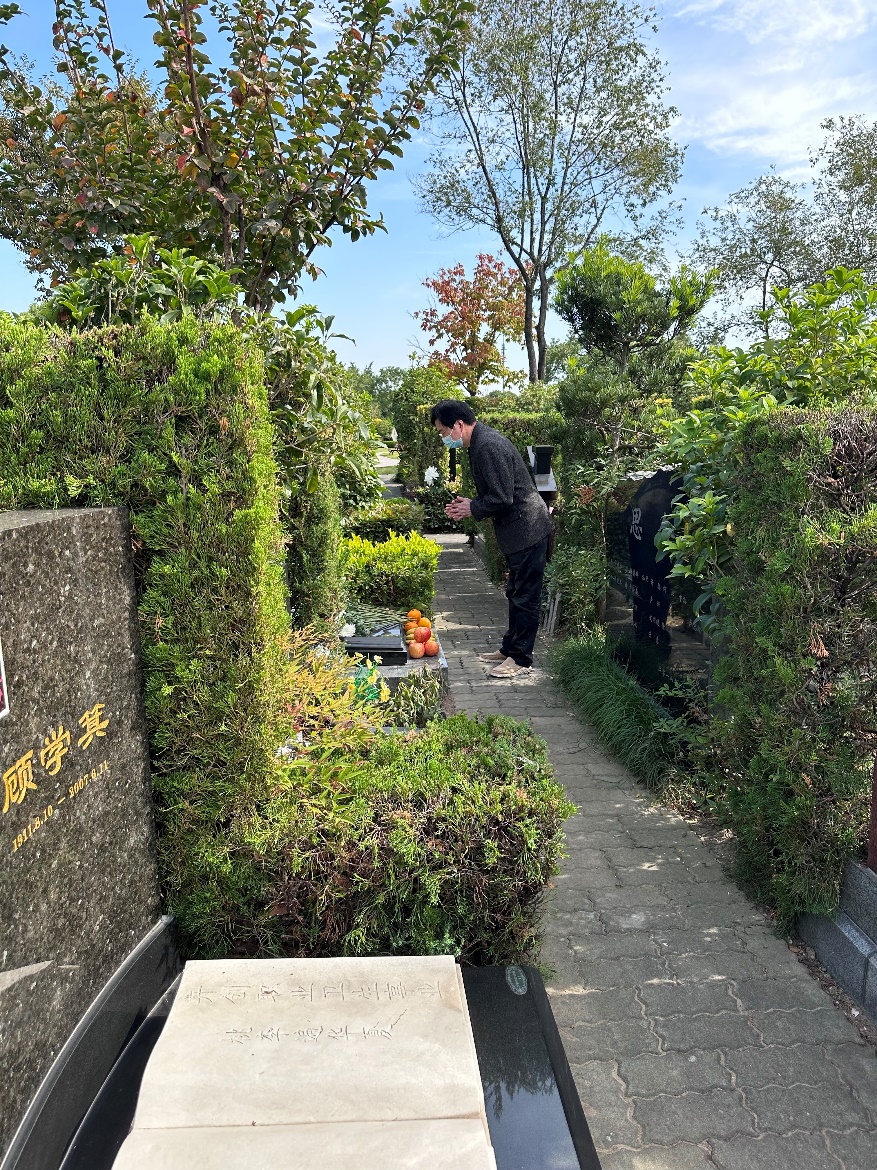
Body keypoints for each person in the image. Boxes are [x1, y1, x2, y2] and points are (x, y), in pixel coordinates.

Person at [431, 399, 553, 679]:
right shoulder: (479, 443)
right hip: (520, 531)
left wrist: (472, 507)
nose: (443, 438)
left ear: (458, 424)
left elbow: (502, 497)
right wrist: (471, 503)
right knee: (515, 593)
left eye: (443, 432)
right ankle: (509, 649)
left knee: (525, 597)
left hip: (528, 529)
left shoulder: (488, 445)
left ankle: (520, 659)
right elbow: (498, 493)